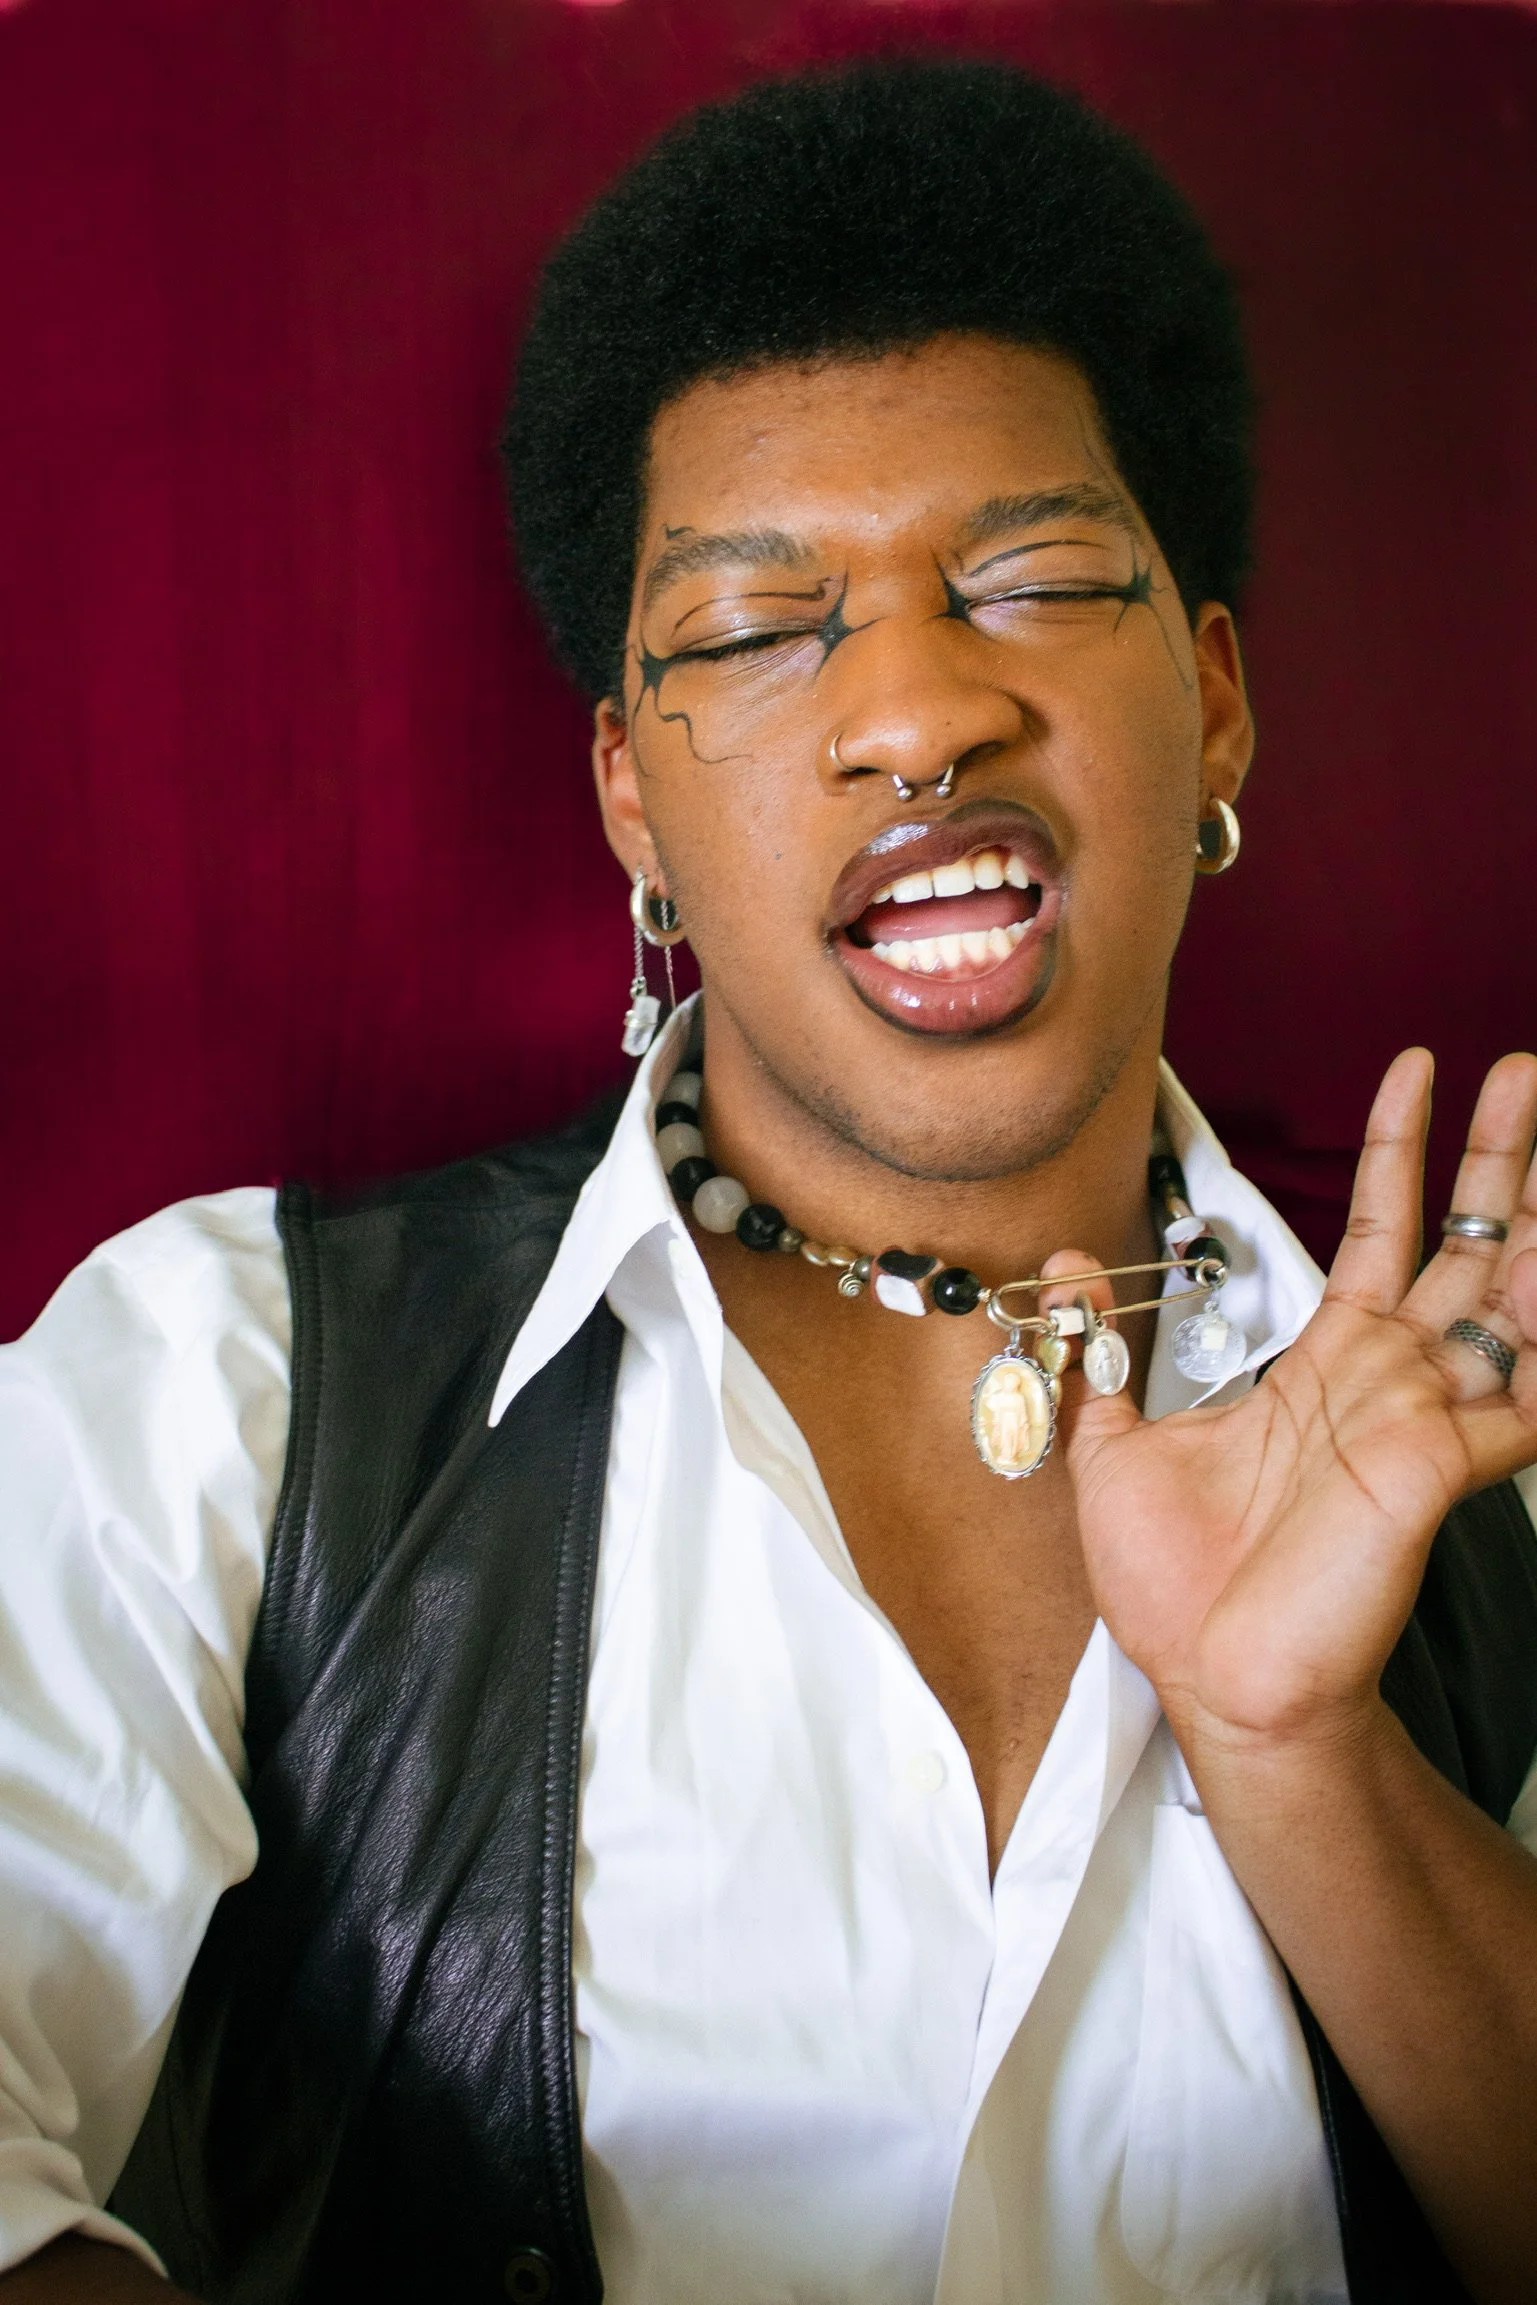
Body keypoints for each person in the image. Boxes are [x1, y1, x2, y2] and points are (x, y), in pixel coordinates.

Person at [1, 53, 1535, 2305]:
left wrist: (1300, 1749)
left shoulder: (1491, 1455)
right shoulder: (223, 1388)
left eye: (1029, 580)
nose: (915, 714)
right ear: (632, 797)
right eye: (748, 629)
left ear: (1213, 705)